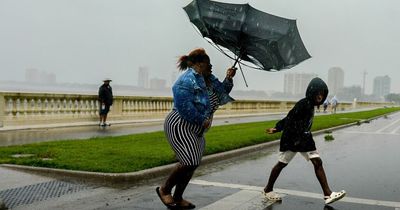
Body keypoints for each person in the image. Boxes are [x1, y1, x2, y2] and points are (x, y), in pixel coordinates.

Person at [156, 48, 236, 209]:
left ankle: (178, 197)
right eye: (209, 64)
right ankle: (164, 190)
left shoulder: (210, 79)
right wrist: (201, 120)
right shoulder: (186, 80)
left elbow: (222, 93)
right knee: (189, 160)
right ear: (199, 64)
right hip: (180, 124)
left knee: (193, 163)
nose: (211, 67)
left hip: (197, 127)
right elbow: (184, 106)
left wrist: (229, 78)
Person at [263, 77, 346, 205]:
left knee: (317, 162)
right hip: (292, 139)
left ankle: (328, 194)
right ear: (312, 92)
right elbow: (289, 118)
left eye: (322, 94)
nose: (320, 96)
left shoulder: (311, 105)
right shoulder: (304, 104)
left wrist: (279, 129)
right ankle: (268, 189)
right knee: (281, 164)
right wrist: (277, 128)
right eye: (318, 93)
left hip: (304, 139)